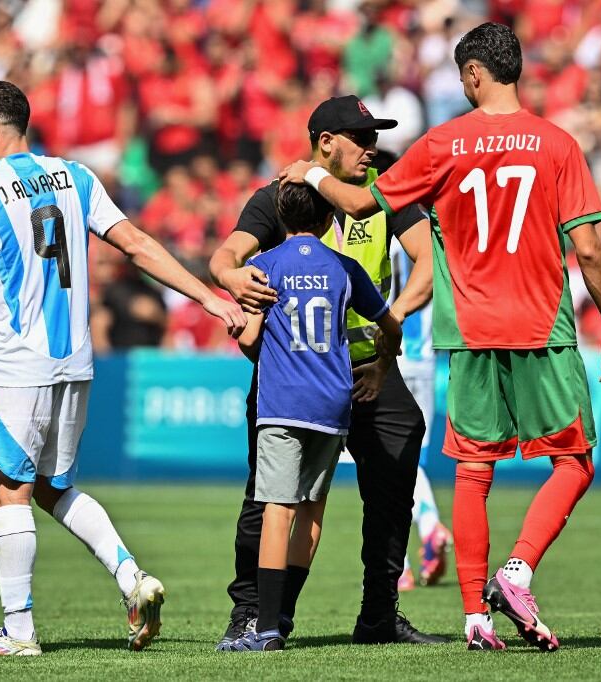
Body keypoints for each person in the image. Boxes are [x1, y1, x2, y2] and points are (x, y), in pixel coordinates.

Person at [282, 22, 601, 652]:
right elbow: (591, 251)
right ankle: (517, 569)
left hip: (467, 330)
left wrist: (310, 175)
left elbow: (359, 208)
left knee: (473, 470)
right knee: (574, 460)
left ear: (473, 74)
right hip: (541, 324)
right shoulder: (556, 145)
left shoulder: (443, 143)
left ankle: (474, 615)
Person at [0, 80, 245, 656]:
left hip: (15, 363)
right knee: (50, 486)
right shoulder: (76, 177)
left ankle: (18, 634)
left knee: (8, 492)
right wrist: (209, 298)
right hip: (76, 362)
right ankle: (132, 579)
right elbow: (137, 244)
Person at [210, 95, 444, 647]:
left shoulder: (384, 189)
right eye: (361, 139)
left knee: (392, 492)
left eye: (375, 138)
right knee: (265, 500)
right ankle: (254, 615)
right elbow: (227, 255)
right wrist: (230, 278)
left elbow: (430, 264)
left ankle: (379, 617)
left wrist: (392, 334)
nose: (372, 148)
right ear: (325, 143)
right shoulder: (282, 197)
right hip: (301, 376)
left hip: (373, 373)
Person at [220, 182, 403, 652]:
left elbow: (248, 340)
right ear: (328, 220)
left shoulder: (263, 266)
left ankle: (265, 629)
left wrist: (252, 334)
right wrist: (380, 368)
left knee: (277, 510)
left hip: (283, 403)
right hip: (333, 403)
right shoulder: (345, 267)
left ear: (281, 218)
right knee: (312, 511)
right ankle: (282, 615)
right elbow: (390, 324)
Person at [389, 236, 452, 592]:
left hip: (388, 353)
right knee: (413, 461)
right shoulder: (430, 231)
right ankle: (427, 529)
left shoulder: (380, 223)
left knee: (386, 463)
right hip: (425, 360)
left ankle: (401, 562)